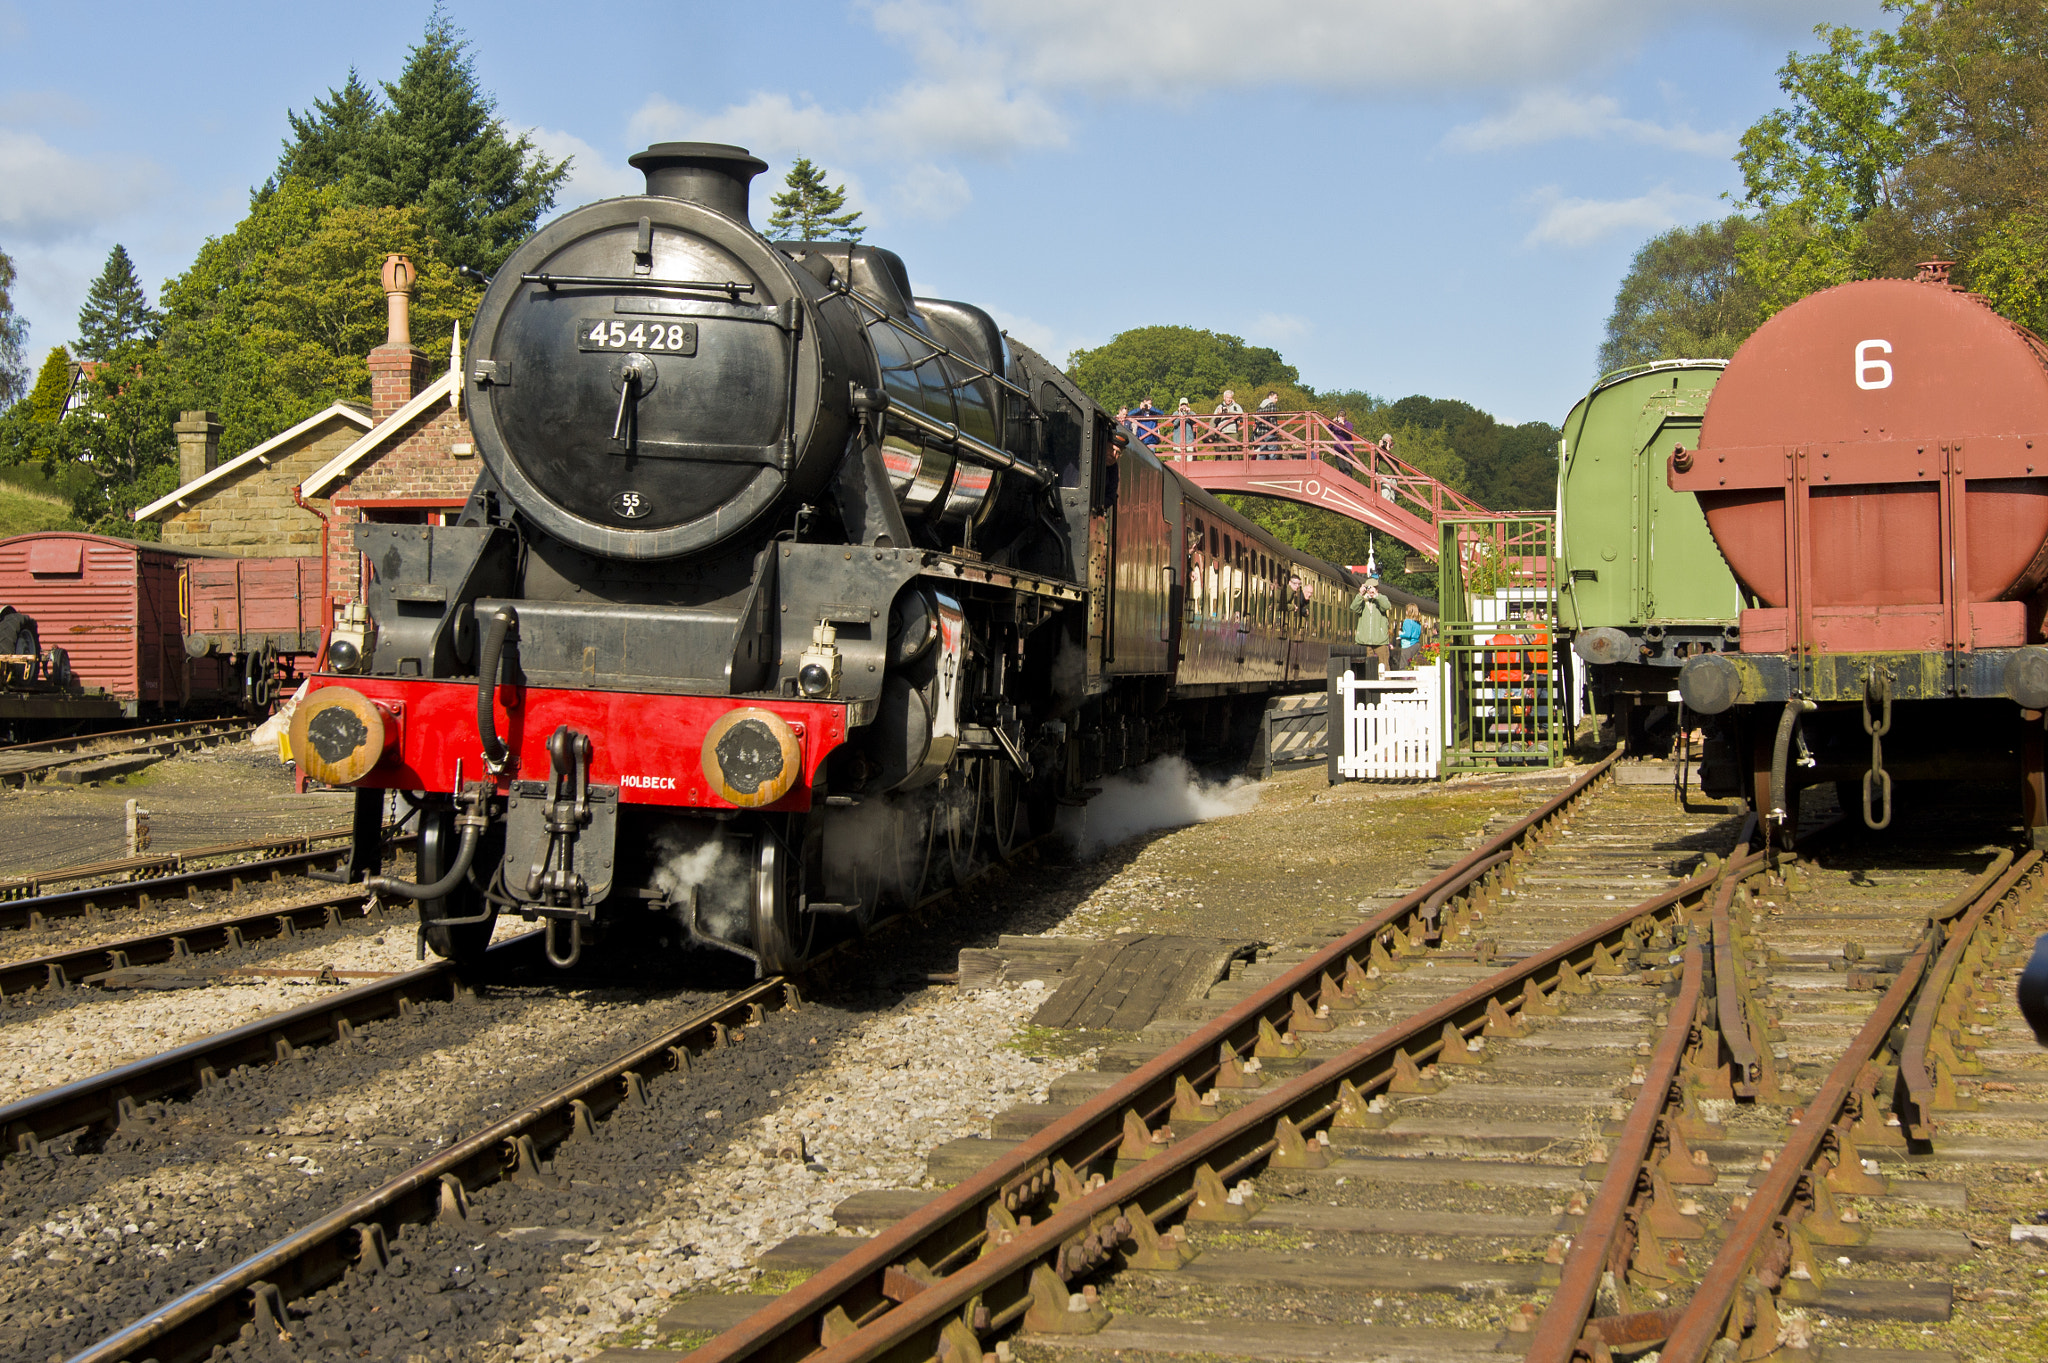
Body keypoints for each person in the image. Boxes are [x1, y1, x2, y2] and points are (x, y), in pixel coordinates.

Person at [1349, 575, 1393, 672]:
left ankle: (1385, 686)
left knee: (1384, 666)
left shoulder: (1382, 598)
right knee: (1366, 668)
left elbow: (1386, 606)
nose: (1370, 590)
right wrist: (1360, 594)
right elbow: (1354, 608)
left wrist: (1377, 596)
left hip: (1380, 641)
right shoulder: (1363, 600)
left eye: (1372, 588)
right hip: (1364, 641)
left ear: (1377, 588)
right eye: (1368, 588)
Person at [1253, 391, 1281, 458]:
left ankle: (1261, 467)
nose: (1276, 400)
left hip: (1261, 432)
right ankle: (1273, 467)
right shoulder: (1271, 405)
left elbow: (1256, 419)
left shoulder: (1260, 406)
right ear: (1270, 397)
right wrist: (1276, 429)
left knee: (1262, 452)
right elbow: (1272, 419)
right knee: (1272, 452)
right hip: (1269, 431)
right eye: (1275, 398)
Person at [1397, 603, 1423, 668]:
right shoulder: (1418, 623)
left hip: (1408, 645)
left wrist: (1400, 634)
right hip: (1416, 645)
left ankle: (1404, 678)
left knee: (1404, 666)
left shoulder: (1407, 621)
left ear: (1408, 612)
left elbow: (1408, 634)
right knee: (1414, 665)